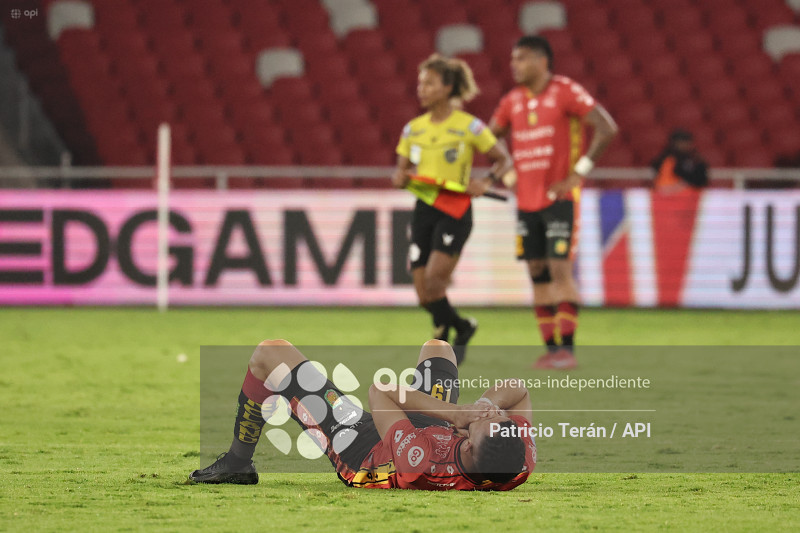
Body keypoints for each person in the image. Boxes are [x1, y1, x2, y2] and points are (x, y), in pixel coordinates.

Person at [189, 339, 536, 490]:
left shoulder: (421, 464)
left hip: (364, 447)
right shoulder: (517, 463)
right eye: (499, 418)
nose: (493, 416)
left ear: (467, 443)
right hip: (431, 429)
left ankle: (237, 462)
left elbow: (381, 390)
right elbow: (518, 390)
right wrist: (478, 412)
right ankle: (450, 414)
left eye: (486, 421)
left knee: (269, 353)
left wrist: (458, 412)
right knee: (438, 349)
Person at [489, 36, 618, 370]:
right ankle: (550, 349)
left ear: (542, 61)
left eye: (521, 59)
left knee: (560, 269)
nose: (514, 65)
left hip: (559, 198)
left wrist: (579, 173)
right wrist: (507, 175)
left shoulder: (565, 91)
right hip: (526, 201)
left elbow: (606, 128)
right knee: (536, 271)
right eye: (513, 59)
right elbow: (488, 140)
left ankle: (568, 351)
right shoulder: (512, 100)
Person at [392, 54, 512, 364]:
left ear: (447, 87)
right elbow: (400, 172)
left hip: (455, 210)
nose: (422, 89)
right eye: (421, 84)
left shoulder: (469, 125)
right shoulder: (412, 129)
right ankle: (461, 326)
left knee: (434, 281)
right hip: (424, 209)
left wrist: (486, 182)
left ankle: (441, 342)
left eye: (429, 83)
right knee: (423, 295)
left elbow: (504, 160)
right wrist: (401, 178)